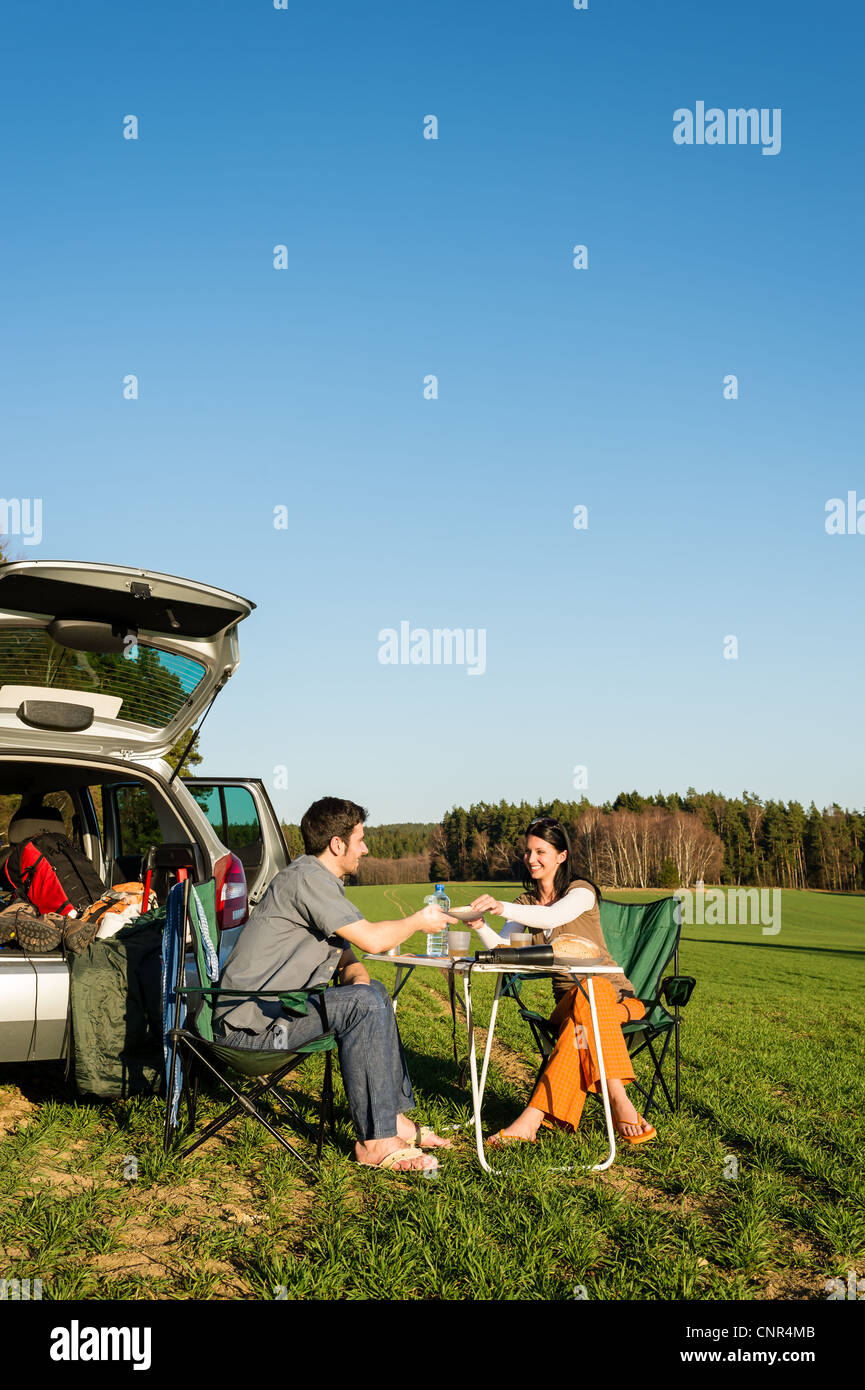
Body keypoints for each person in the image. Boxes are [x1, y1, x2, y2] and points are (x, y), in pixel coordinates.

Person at [213, 796, 455, 1173]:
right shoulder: (308, 879)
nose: (366, 848)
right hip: (250, 1029)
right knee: (364, 1002)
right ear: (337, 844)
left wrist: (359, 984)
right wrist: (418, 921)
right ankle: (375, 1143)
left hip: (273, 1014)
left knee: (371, 993)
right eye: (360, 839)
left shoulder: (318, 881)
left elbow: (348, 958)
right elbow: (373, 940)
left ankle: (391, 1120)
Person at [468, 816, 656, 1146]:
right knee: (587, 998)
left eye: (541, 851)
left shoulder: (581, 892)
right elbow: (502, 950)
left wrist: (501, 907)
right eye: (527, 852)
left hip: (621, 1000)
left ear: (561, 856)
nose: (531, 859)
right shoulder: (526, 903)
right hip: (568, 1003)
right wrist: (481, 925)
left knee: (588, 1006)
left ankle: (531, 1120)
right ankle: (619, 1099)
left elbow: (552, 917)